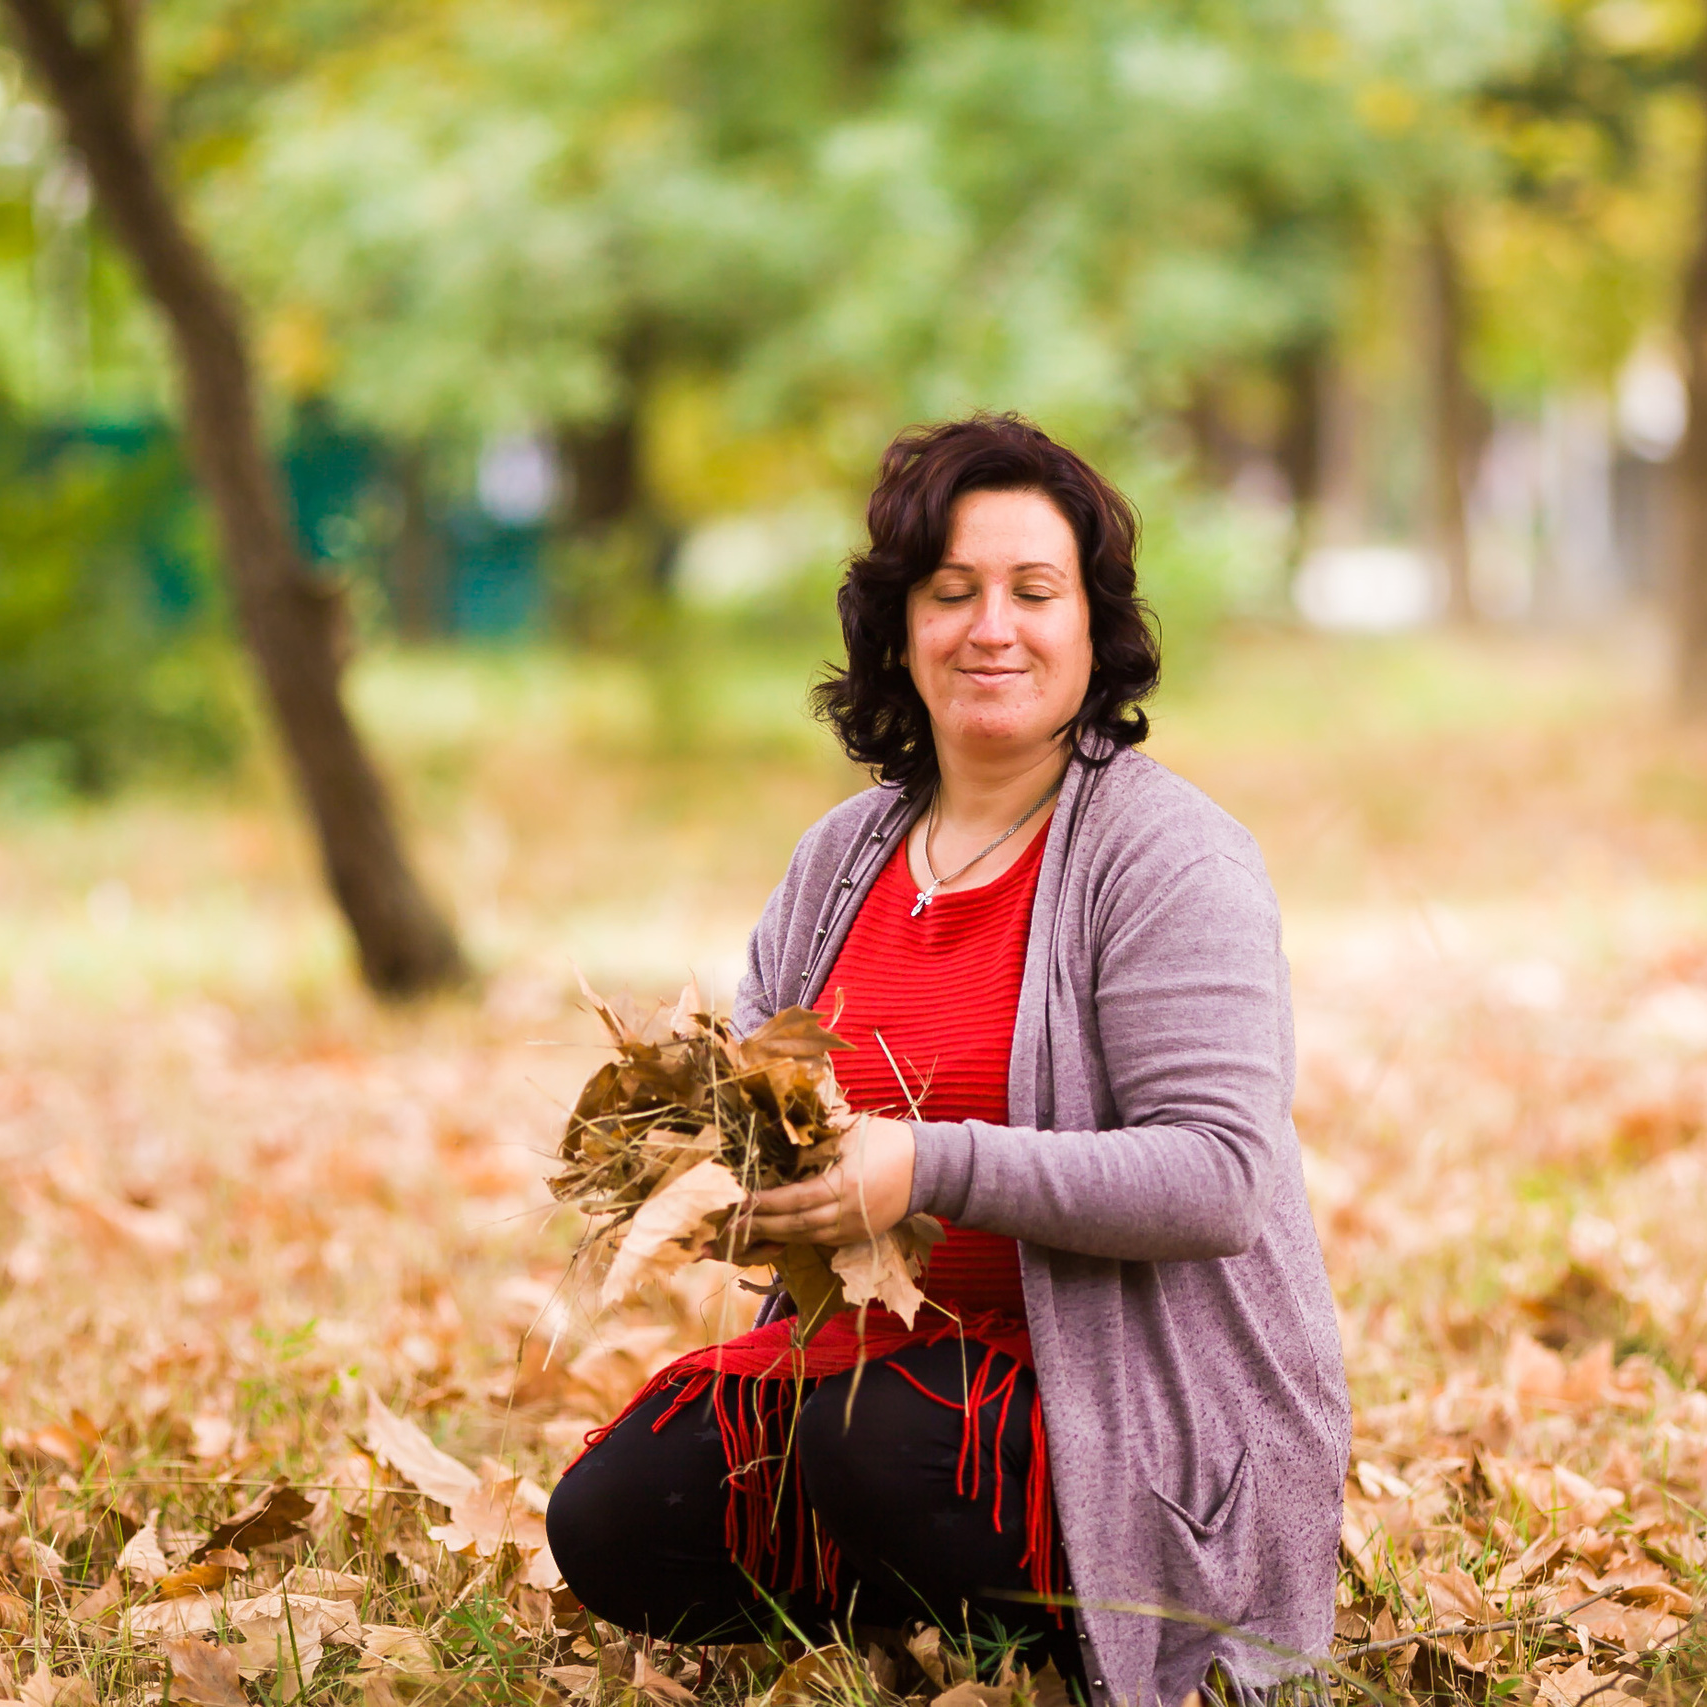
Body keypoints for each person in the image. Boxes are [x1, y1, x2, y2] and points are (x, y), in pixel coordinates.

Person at [544, 414, 1349, 1707]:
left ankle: (1066, 1637)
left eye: (1037, 591)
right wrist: (732, 1192)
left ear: (1096, 628)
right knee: (614, 1519)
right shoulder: (842, 859)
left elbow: (1218, 1179)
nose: (994, 628)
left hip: (1124, 1405)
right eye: (952, 591)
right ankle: (917, 1612)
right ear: (899, 626)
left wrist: (925, 1163)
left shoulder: (1167, 857)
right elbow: (782, 1117)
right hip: (875, 1372)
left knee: (871, 1442)